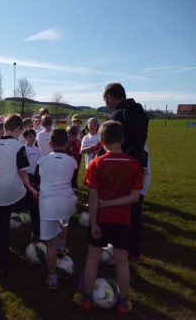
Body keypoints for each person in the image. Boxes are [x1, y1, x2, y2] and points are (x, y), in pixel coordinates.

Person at [76, 120, 143, 317]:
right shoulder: (134, 164)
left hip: (101, 219)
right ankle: (123, 303)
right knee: (122, 261)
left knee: (93, 257)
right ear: (122, 139)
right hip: (122, 220)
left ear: (101, 141)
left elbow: (93, 197)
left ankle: (87, 298)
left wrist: (94, 221)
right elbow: (135, 197)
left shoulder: (97, 164)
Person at [100, 82, 149, 262]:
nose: (105, 104)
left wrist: (99, 160)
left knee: (119, 210)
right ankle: (133, 251)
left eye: (105, 100)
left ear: (109, 98)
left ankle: (118, 251)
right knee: (135, 209)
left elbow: (108, 142)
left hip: (122, 167)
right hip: (140, 163)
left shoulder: (118, 115)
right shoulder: (138, 112)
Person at [0, 114, 38, 275]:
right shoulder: (19, 145)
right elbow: (22, 171)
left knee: (0, 227)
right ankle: (37, 234)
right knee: (33, 200)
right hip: (12, 190)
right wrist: (30, 187)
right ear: (18, 129)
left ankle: (1, 262)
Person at [37, 129, 77, 290]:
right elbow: (71, 180)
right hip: (67, 201)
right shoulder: (72, 161)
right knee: (64, 222)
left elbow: (39, 179)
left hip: (49, 204)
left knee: (50, 244)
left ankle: (52, 278)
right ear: (66, 143)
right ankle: (62, 245)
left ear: (50, 143)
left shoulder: (43, 160)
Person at [129, 145, 151, 262]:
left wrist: (134, 191)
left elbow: (142, 172)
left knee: (134, 216)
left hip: (138, 190)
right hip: (131, 190)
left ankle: (133, 252)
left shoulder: (140, 147)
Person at [22, 128, 42, 240]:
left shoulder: (37, 150)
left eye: (34, 136)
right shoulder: (22, 150)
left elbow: (39, 164)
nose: (32, 138)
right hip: (24, 177)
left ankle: (36, 231)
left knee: (35, 204)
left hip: (34, 178)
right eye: (30, 136)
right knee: (23, 200)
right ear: (25, 138)